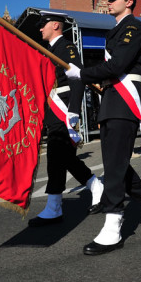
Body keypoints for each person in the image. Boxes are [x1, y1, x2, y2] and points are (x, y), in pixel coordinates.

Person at [65, 0, 141, 256]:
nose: (108, 1)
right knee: (117, 164)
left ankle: (113, 224)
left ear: (129, 2)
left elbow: (118, 65)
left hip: (124, 101)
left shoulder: (133, 27)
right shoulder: (115, 30)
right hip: (112, 99)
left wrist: (84, 74)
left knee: (114, 165)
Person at [28, 11, 104, 227]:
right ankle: (94, 184)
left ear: (55, 25)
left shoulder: (66, 47)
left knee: (55, 154)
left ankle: (54, 206)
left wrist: (73, 111)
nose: (40, 29)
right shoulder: (50, 50)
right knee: (64, 157)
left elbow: (77, 79)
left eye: (43, 25)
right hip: (53, 108)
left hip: (63, 108)